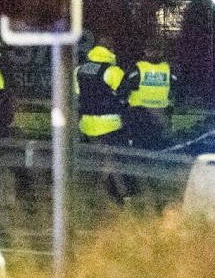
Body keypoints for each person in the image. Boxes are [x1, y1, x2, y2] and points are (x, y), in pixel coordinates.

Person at [74, 36, 132, 200]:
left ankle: (96, 194)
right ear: (111, 50)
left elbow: (78, 95)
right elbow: (125, 96)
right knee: (113, 161)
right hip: (109, 125)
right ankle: (112, 195)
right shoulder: (113, 71)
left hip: (87, 125)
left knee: (99, 161)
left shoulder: (80, 70)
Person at [124, 55, 174, 149]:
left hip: (140, 114)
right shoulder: (168, 69)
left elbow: (125, 87)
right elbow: (176, 89)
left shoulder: (138, 68)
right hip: (159, 116)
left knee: (139, 148)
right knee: (157, 148)